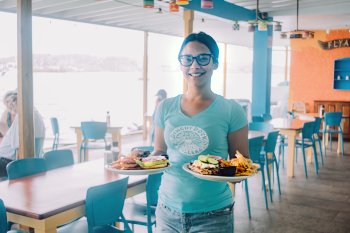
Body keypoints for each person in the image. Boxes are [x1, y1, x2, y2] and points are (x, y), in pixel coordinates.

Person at [152, 32, 249, 232]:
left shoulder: (231, 110)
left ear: (215, 63)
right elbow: (160, 152)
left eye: (203, 58)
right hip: (167, 210)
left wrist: (218, 170)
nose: (194, 66)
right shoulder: (165, 107)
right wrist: (142, 163)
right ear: (180, 64)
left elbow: (242, 166)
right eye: (187, 59)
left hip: (214, 214)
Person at [0, 91, 46, 177]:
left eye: (11, 104)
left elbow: (18, 149)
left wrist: (19, 173)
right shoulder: (36, 115)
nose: (10, 107)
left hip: (8, 163)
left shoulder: (21, 118)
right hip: (33, 162)